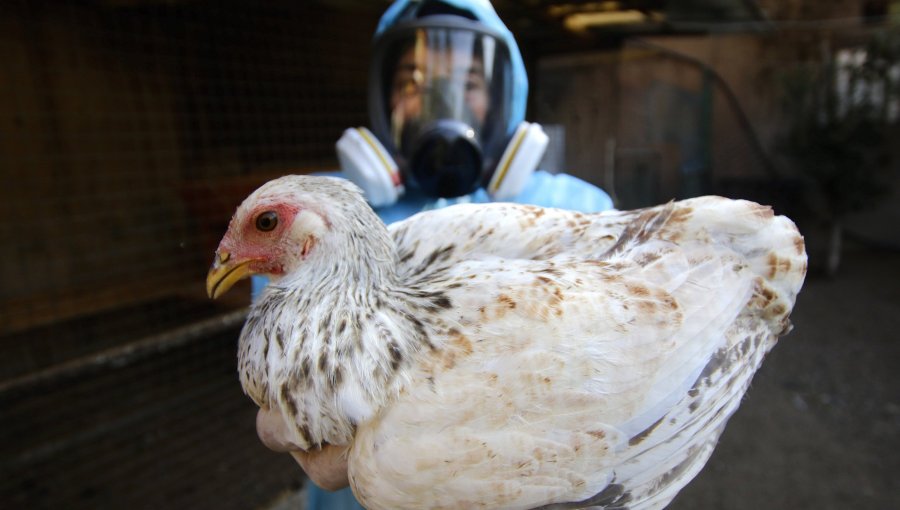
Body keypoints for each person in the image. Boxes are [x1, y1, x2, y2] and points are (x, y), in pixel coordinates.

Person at [251, 1, 614, 508]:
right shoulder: (314, 221)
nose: (440, 103)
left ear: (503, 96)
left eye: (468, 84)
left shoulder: (576, 211)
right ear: (383, 98)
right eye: (412, 80)